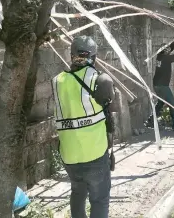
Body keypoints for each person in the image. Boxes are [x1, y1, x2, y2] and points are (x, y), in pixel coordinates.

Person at [51, 36, 115, 218]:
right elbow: (112, 108)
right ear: (94, 57)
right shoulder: (99, 79)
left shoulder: (56, 81)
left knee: (78, 192)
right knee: (99, 199)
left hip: (69, 155)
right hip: (94, 154)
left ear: (71, 55)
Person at [145, 37, 174, 130]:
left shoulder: (159, 56)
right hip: (162, 85)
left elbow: (170, 48)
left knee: (160, 103)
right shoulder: (167, 58)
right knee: (173, 104)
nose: (169, 50)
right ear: (164, 51)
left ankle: (150, 120)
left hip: (156, 84)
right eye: (167, 49)